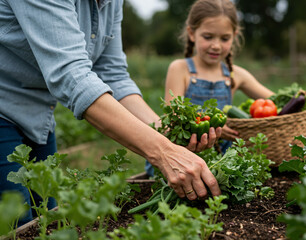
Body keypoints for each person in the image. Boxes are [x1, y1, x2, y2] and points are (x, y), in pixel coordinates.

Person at [0, 0, 221, 227]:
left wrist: (164, 131)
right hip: (3, 108)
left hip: (40, 117)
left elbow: (112, 73)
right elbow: (71, 76)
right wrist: (163, 152)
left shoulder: (111, 2)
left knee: (44, 220)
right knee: (16, 223)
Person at [164, 0, 274, 151]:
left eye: (224, 38)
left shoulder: (237, 74)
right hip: (185, 151)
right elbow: (174, 120)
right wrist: (214, 126)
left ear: (234, 36)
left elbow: (274, 101)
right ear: (191, 34)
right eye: (208, 37)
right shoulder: (180, 69)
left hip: (222, 157)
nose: (216, 45)